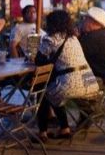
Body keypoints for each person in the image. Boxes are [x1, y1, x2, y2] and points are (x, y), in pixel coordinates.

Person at [35, 10, 100, 142]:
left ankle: (42, 133)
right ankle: (64, 129)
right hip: (90, 83)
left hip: (71, 86)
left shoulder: (50, 39)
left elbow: (38, 60)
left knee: (42, 92)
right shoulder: (73, 38)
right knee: (55, 89)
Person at [78, 6, 105, 84]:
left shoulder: (91, 38)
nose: (83, 21)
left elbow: (76, 55)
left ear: (91, 22)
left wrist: (79, 35)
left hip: (104, 81)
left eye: (85, 19)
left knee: (71, 80)